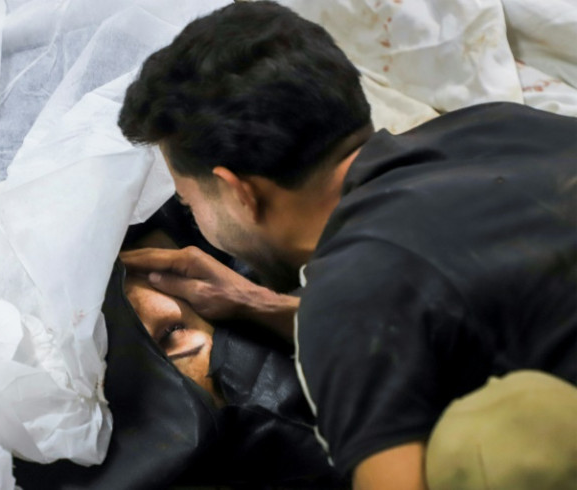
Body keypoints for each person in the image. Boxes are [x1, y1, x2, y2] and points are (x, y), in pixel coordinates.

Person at [117, 2, 577, 489]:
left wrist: (326, 322)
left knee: (486, 443)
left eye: (189, 204)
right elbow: (444, 293)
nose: (193, 218)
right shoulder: (499, 124)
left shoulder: (348, 301)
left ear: (239, 192)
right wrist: (261, 305)